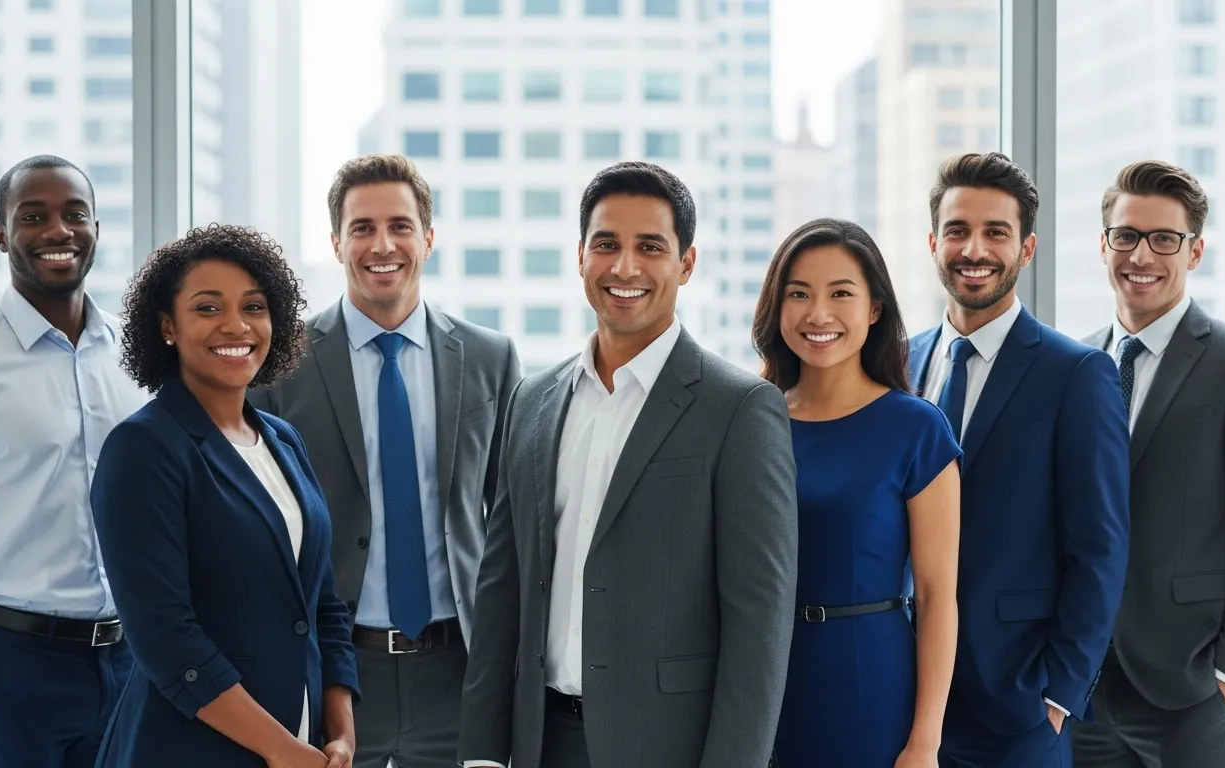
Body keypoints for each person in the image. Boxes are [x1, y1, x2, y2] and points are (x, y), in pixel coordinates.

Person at [457, 161, 798, 768]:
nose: (624, 267)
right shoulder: (531, 401)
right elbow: (501, 588)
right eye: (607, 244)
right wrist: (482, 753)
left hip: (669, 747)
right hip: (543, 743)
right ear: (580, 256)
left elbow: (759, 629)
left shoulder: (740, 409)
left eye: (650, 247)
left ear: (686, 264)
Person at [249, 154, 521, 768]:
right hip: (334, 671)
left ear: (428, 237)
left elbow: (511, 521)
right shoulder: (281, 364)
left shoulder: (490, 358)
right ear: (336, 242)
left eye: (400, 226)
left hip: (460, 672)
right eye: (362, 228)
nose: (382, 245)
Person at [0, 155, 148, 768]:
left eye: (75, 214)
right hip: (8, 669)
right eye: (33, 216)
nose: (58, 231)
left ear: (96, 229)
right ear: (1, 235)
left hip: (130, 664)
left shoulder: (137, 360)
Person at [89, 224, 360, 767]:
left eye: (253, 306)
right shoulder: (142, 448)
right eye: (208, 308)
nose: (236, 325)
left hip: (304, 745)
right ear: (167, 326)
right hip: (188, 749)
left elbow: (323, 604)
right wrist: (282, 750)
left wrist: (341, 731)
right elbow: (166, 637)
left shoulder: (283, 440)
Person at [1071, 161, 1225, 768]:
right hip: (1085, 689)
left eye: (1164, 239)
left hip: (1193, 694)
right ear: (1103, 245)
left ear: (1194, 251)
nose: (1141, 255)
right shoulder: (1077, 364)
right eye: (1126, 236)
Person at [907, 152, 1130, 768]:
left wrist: (1059, 693)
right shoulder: (899, 362)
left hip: (1017, 704)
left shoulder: (1077, 374)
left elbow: (1100, 548)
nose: (974, 249)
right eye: (957, 230)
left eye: (996, 232)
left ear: (1026, 249)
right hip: (900, 691)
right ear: (933, 243)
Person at [755, 218, 960, 768]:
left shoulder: (917, 429)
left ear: (875, 309)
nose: (818, 314)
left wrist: (925, 742)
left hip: (869, 682)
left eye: (841, 294)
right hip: (759, 682)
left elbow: (937, 596)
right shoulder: (752, 421)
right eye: (799, 294)